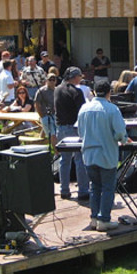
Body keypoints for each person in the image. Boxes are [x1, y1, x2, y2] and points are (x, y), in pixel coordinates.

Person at [77, 81, 129, 232]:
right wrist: (124, 140)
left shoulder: (84, 108)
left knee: (94, 187)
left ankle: (94, 218)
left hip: (88, 154)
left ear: (93, 92)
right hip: (106, 154)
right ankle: (104, 219)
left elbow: (80, 132)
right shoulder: (112, 109)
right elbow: (120, 132)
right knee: (107, 188)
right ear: (109, 93)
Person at [55, 67, 87, 200]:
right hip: (74, 127)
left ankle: (64, 190)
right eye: (80, 76)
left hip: (61, 127)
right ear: (74, 77)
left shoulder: (57, 89)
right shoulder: (77, 92)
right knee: (80, 160)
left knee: (64, 160)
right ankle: (83, 191)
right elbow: (83, 110)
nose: (81, 79)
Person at [34, 73, 58, 151]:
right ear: (46, 80)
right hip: (46, 116)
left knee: (57, 134)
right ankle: (56, 152)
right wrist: (42, 116)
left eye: (53, 80)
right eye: (50, 79)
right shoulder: (41, 91)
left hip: (56, 116)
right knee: (52, 135)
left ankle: (57, 152)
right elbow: (37, 104)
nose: (52, 81)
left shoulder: (57, 90)